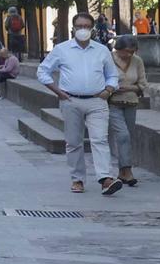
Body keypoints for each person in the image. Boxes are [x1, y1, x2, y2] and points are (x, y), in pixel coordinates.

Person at [37, 12, 123, 196]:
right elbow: (43, 71)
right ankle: (77, 179)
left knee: (99, 139)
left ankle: (105, 178)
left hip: (97, 101)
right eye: (79, 26)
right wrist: (58, 91)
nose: (82, 30)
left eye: (86, 26)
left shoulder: (102, 51)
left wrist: (108, 90)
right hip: (71, 100)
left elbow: (112, 74)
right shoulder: (62, 49)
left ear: (92, 29)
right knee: (74, 142)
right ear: (73, 28)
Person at [107, 35, 148, 188]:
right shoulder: (108, 59)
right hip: (113, 102)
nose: (129, 55)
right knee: (122, 135)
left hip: (131, 102)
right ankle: (128, 170)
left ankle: (122, 172)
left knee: (127, 137)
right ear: (118, 49)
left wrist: (130, 88)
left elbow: (142, 83)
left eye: (132, 51)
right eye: (126, 51)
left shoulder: (137, 61)